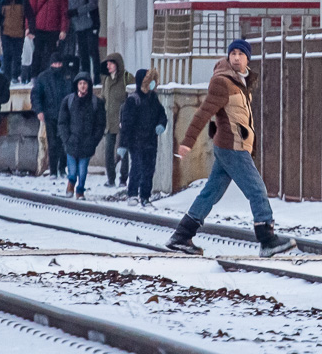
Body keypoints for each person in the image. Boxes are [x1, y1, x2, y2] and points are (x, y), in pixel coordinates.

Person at [166, 39, 295, 258]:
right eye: (232, 53)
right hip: (232, 147)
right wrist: (188, 141)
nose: (236, 57)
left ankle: (181, 235)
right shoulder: (222, 82)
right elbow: (203, 113)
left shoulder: (240, 82)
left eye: (240, 54)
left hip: (232, 146)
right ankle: (267, 239)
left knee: (210, 194)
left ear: (248, 59)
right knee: (257, 190)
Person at [118, 68, 167, 207]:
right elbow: (126, 125)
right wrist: (123, 144)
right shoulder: (133, 100)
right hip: (136, 141)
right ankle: (132, 194)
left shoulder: (153, 98)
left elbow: (162, 114)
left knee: (149, 169)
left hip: (151, 140)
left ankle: (145, 196)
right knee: (137, 167)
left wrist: (161, 124)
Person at [57, 71, 105, 199]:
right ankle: (70, 185)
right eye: (80, 83)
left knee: (82, 172)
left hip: (87, 143)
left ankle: (80, 190)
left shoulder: (96, 102)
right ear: (76, 85)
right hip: (71, 142)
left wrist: (94, 140)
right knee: (72, 172)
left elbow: (100, 124)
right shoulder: (69, 101)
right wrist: (66, 138)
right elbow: (62, 122)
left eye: (85, 83)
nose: (83, 86)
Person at [30, 52, 70, 178]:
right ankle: (53, 170)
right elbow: (36, 95)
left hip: (65, 115)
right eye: (55, 63)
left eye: (59, 63)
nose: (57, 66)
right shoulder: (43, 77)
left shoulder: (68, 76)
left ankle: (62, 169)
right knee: (52, 143)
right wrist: (39, 111)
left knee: (64, 143)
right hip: (50, 114)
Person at [100, 52, 135, 187]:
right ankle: (110, 178)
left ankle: (123, 179)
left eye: (111, 63)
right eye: (107, 64)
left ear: (117, 64)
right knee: (108, 151)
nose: (108, 66)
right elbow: (103, 99)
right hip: (109, 122)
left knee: (123, 151)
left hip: (123, 121)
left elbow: (133, 98)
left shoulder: (127, 78)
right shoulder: (106, 79)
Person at [29, 0, 69, 77]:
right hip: (39, 28)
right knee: (37, 53)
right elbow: (30, 11)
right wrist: (29, 28)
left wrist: (63, 29)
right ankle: (35, 76)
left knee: (51, 54)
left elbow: (64, 13)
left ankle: (50, 75)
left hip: (53, 29)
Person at [0, 0, 34, 83]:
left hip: (19, 33)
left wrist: (31, 29)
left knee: (17, 55)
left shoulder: (22, 1)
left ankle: (15, 75)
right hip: (6, 33)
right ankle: (7, 76)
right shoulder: (1, 2)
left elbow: (30, 16)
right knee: (7, 55)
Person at [66, 0, 101, 83]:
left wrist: (77, 11)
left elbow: (93, 4)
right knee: (82, 53)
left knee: (93, 51)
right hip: (77, 27)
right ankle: (86, 77)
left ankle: (97, 77)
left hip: (91, 24)